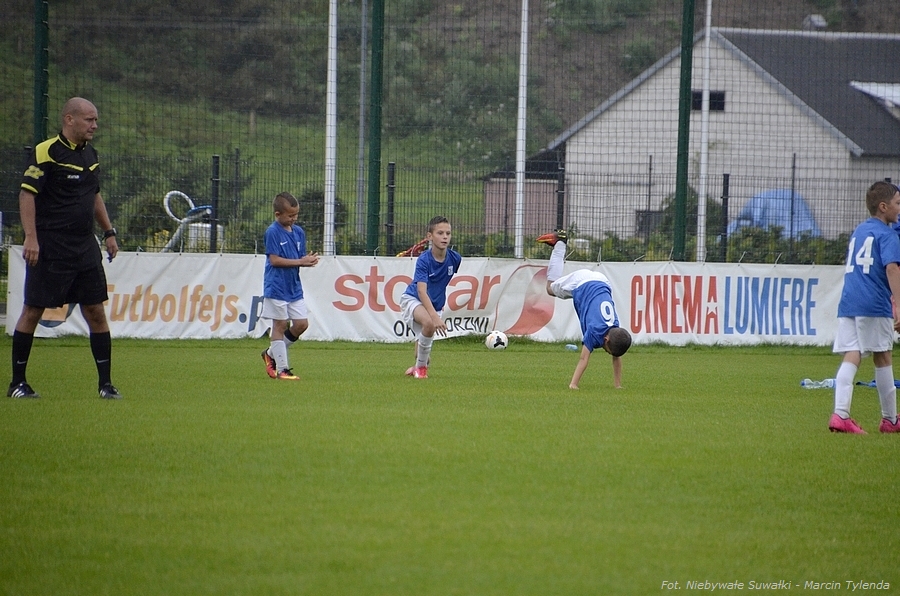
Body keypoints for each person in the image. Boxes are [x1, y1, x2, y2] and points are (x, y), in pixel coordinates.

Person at [9, 97, 121, 399]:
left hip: (84, 246)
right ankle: (17, 383)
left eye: (96, 120)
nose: (94, 125)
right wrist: (31, 237)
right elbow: (27, 195)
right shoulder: (46, 152)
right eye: (89, 120)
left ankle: (106, 385)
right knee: (33, 309)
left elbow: (94, 195)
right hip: (51, 245)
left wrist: (109, 232)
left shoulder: (90, 155)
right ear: (69, 119)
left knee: (95, 310)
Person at [829, 181, 900, 434]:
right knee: (883, 356)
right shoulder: (888, 235)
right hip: (874, 303)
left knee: (852, 353)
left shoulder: (859, 231)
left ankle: (840, 415)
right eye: (897, 203)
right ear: (883, 207)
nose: (899, 208)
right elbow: (892, 269)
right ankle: (890, 420)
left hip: (849, 301)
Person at [537, 229, 632, 389]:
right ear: (606, 340)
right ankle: (560, 244)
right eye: (607, 351)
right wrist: (573, 384)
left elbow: (617, 356)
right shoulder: (595, 332)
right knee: (549, 288)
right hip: (582, 282)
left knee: (554, 289)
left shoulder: (615, 327)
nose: (607, 352)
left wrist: (618, 386)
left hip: (602, 281)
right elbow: (583, 359)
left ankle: (560, 244)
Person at [260, 192, 319, 380]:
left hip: (293, 287)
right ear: (278, 214)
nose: (294, 218)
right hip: (276, 286)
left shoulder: (299, 232)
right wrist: (301, 262)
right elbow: (275, 260)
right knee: (280, 325)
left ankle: (270, 354)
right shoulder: (272, 232)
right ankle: (282, 369)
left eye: (296, 215)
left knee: (301, 324)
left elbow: (298, 258)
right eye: (290, 215)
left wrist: (307, 260)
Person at [400, 216, 462, 379]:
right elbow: (421, 291)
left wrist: (435, 311)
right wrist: (434, 317)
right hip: (413, 299)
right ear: (429, 236)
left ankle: (418, 365)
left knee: (423, 355)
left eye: (448, 233)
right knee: (429, 323)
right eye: (440, 233)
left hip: (435, 305)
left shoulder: (455, 259)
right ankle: (421, 371)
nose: (445, 237)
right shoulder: (424, 260)